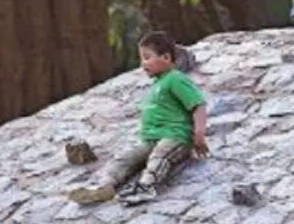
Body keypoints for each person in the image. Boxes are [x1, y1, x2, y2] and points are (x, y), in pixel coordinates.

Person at [69, 31, 209, 206]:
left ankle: (146, 187)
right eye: (142, 58)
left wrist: (199, 134)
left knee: (159, 156)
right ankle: (105, 186)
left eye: (147, 58)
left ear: (166, 58)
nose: (143, 64)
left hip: (175, 136)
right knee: (124, 159)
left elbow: (197, 104)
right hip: (150, 139)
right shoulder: (157, 84)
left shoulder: (175, 79)